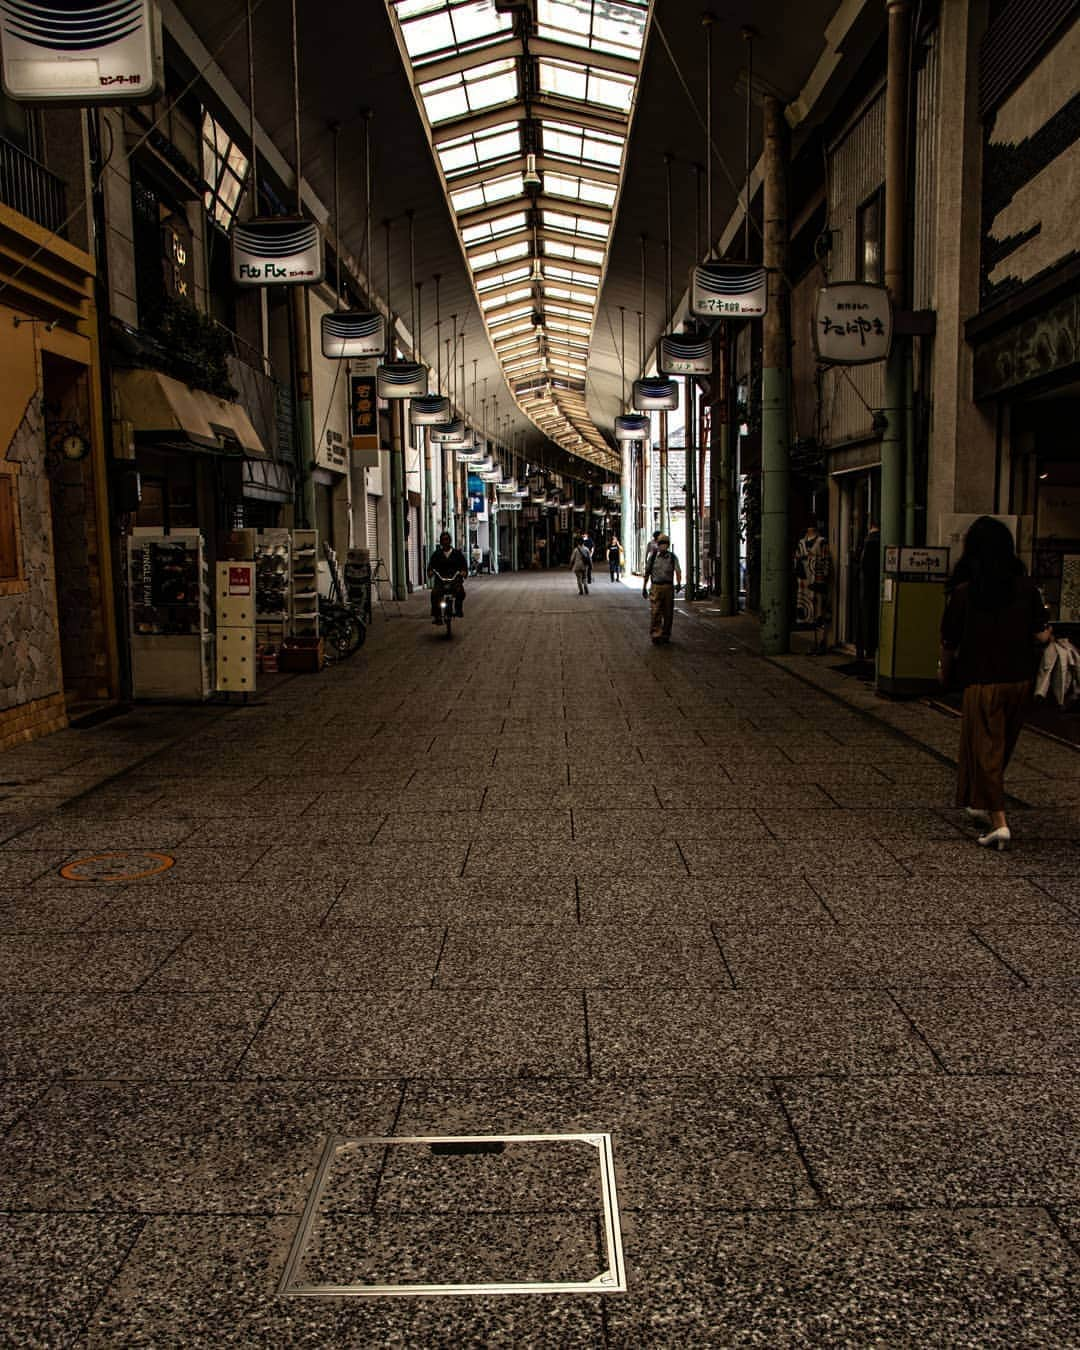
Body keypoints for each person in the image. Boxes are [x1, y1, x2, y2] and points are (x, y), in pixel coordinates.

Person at [939, 515, 1052, 851]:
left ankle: (999, 821)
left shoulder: (964, 594)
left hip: (981, 681)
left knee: (985, 747)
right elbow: (1040, 633)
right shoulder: (1026, 588)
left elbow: (948, 642)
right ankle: (981, 800)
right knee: (998, 749)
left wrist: (944, 674)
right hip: (1019, 681)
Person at [794, 521, 832, 654]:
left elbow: (826, 560)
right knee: (808, 612)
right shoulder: (801, 543)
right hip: (804, 583)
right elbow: (796, 562)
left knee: (819, 611)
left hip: (818, 581)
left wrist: (825, 577)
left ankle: (821, 642)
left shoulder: (822, 542)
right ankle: (813, 643)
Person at [643, 533, 682, 643]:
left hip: (668, 587)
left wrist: (678, 583)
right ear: (658, 544)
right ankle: (656, 633)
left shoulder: (673, 557)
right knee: (655, 611)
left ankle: (666, 634)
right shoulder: (653, 556)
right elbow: (647, 572)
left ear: (668, 545)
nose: (663, 546)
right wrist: (644, 587)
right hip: (655, 587)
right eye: (661, 543)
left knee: (668, 612)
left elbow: (678, 571)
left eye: (665, 543)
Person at [427, 531, 468, 623]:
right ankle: (437, 615)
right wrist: (430, 572)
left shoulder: (457, 554)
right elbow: (431, 566)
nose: (445, 542)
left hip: (454, 580)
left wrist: (463, 572)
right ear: (441, 542)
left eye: (447, 539)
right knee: (434, 594)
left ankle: (458, 609)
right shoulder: (436, 554)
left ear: (450, 541)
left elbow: (464, 566)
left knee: (460, 592)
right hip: (440, 580)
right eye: (443, 540)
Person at [856, 521, 881, 660]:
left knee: (866, 614)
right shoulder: (876, 540)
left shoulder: (869, 542)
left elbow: (864, 565)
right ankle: (868, 647)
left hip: (867, 586)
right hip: (874, 585)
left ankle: (867, 647)